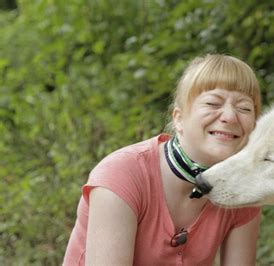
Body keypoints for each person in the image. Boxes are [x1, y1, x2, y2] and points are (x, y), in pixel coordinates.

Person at [63, 54, 262, 265]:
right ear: (179, 119)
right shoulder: (121, 175)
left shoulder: (244, 190)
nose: (230, 117)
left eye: (244, 108)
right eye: (213, 103)